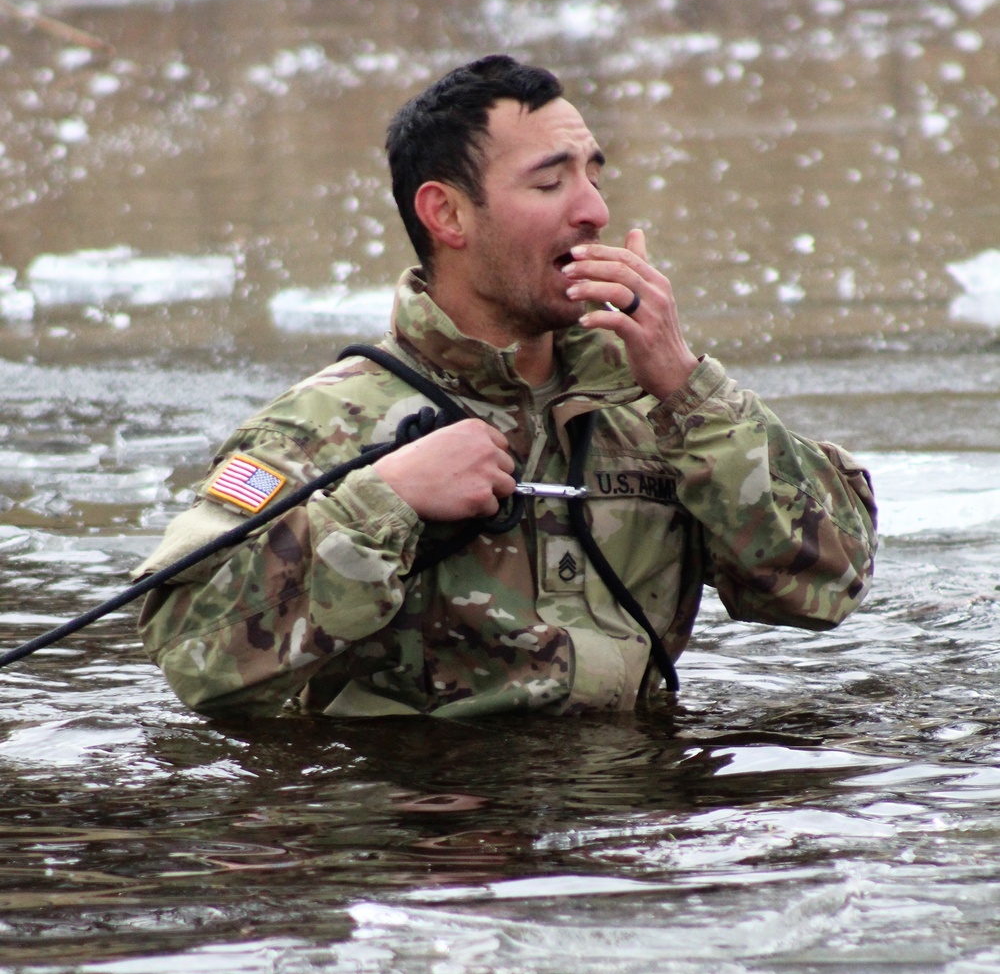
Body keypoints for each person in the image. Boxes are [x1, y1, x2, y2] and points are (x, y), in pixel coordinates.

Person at [138, 54, 877, 719]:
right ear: (447, 214)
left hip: (634, 829)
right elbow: (193, 658)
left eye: (594, 174)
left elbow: (828, 585)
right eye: (551, 181)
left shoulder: (657, 402)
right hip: (427, 831)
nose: (594, 210)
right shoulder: (322, 426)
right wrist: (381, 502)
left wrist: (690, 389)